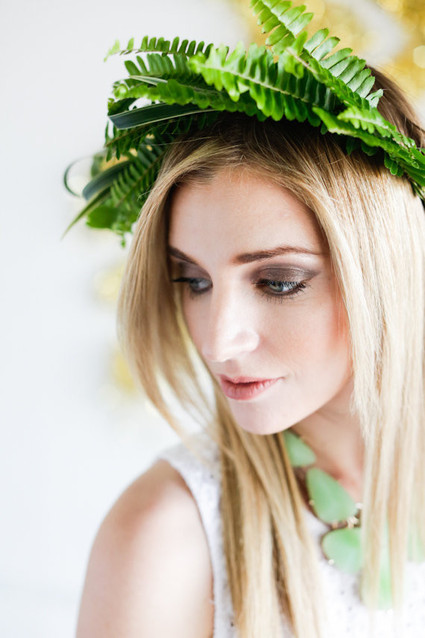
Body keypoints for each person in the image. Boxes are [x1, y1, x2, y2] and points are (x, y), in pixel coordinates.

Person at [72, 2, 425, 637]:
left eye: (278, 282)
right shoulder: (165, 535)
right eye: (194, 280)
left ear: (387, 269)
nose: (217, 339)